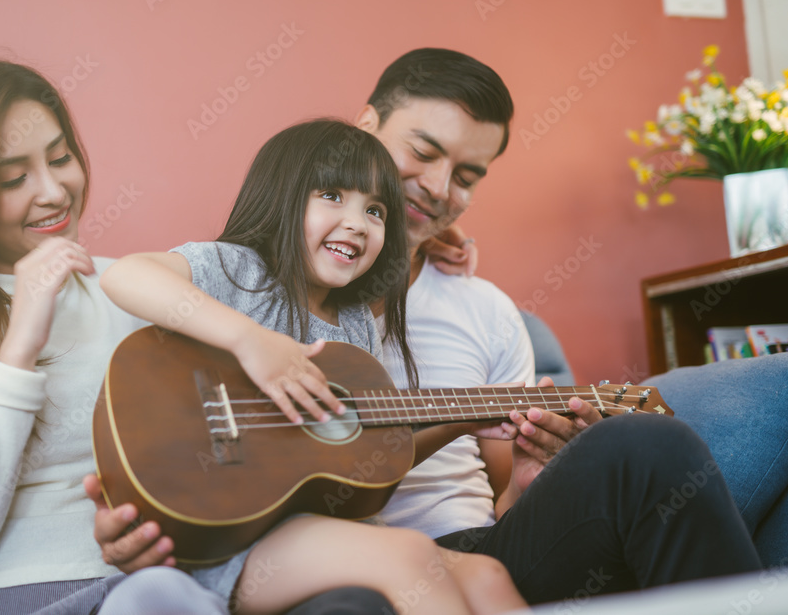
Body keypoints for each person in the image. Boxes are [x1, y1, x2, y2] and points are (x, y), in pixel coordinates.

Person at [0, 54, 392, 615]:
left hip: (134, 587)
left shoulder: (126, 289)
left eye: (61, 158)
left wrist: (161, 541)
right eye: (14, 177)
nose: (53, 191)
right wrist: (20, 345)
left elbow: (224, 447)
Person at [350, 48, 766, 603]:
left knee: (648, 447)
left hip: (474, 550)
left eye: (468, 175)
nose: (440, 187)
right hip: (339, 563)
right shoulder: (267, 282)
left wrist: (526, 483)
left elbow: (503, 502)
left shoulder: (486, 310)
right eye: (423, 151)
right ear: (366, 126)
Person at [99, 118, 528, 614]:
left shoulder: (356, 324)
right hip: (237, 537)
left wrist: (463, 419)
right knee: (408, 554)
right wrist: (249, 340)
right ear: (281, 195)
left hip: (335, 533)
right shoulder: (236, 271)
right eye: (331, 195)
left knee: (485, 574)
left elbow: (365, 459)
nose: (356, 222)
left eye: (375, 210)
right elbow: (125, 275)